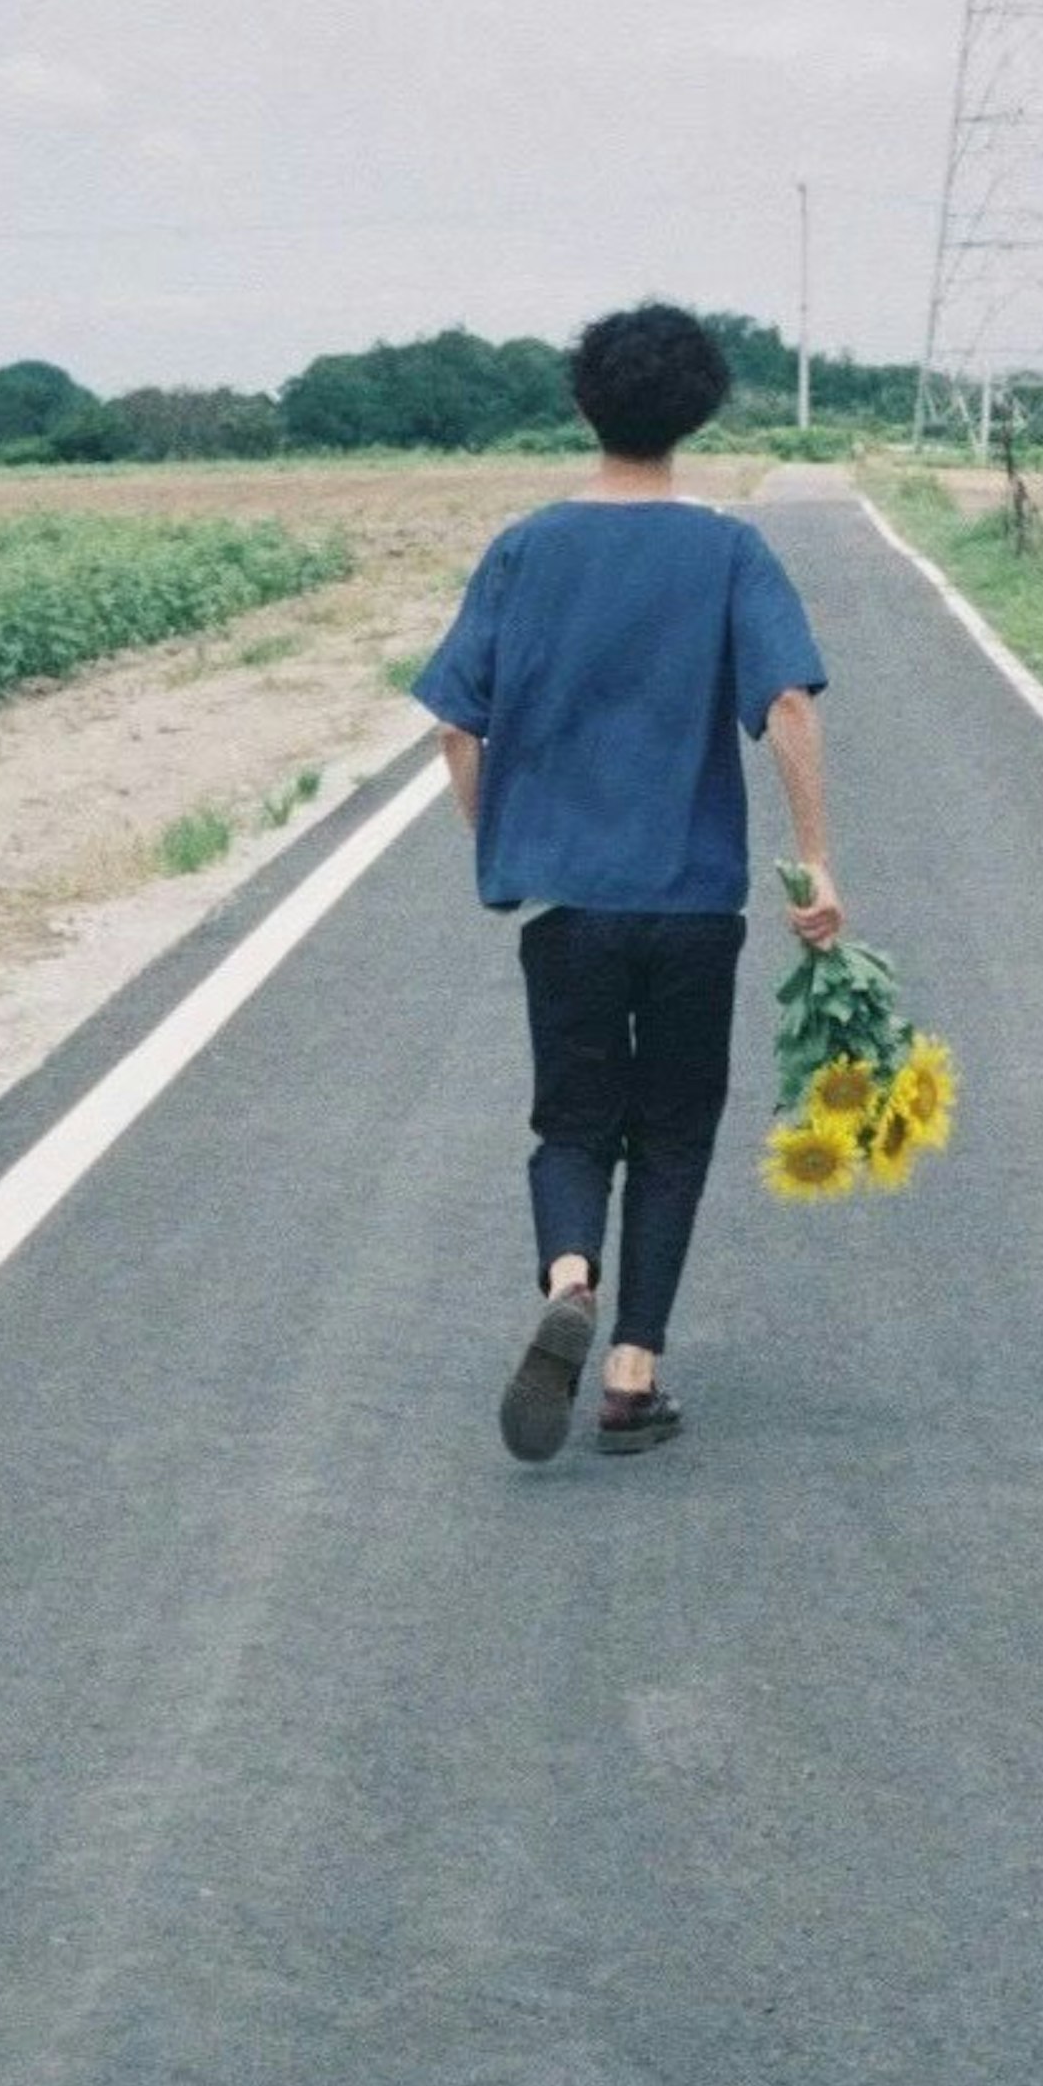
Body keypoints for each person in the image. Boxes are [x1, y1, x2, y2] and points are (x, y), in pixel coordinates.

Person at [414, 303, 838, 1462]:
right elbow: (786, 705)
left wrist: (500, 842)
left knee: (572, 1118)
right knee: (674, 1131)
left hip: (570, 903)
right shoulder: (730, 551)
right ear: (697, 414)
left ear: (583, 402)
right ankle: (633, 1375)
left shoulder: (525, 547)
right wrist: (816, 864)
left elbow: (458, 723)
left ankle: (568, 1275)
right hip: (695, 900)